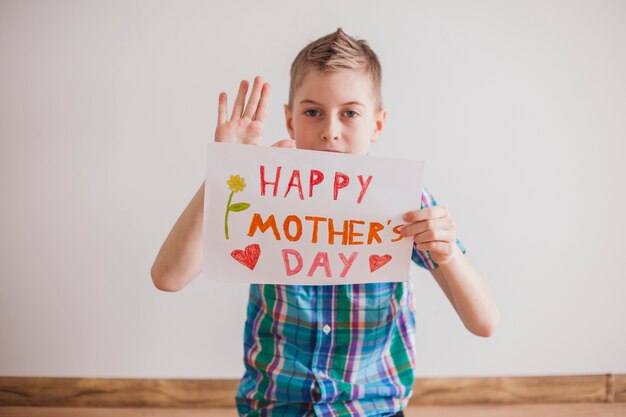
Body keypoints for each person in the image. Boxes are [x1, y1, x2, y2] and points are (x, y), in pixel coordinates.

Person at [151, 28, 500, 417]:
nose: (330, 131)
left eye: (349, 113)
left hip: (372, 409)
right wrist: (224, 171)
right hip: (276, 407)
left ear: (378, 124)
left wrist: (448, 254)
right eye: (313, 112)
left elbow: (484, 322)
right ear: (289, 120)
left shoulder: (403, 201)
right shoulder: (261, 188)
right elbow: (169, 277)